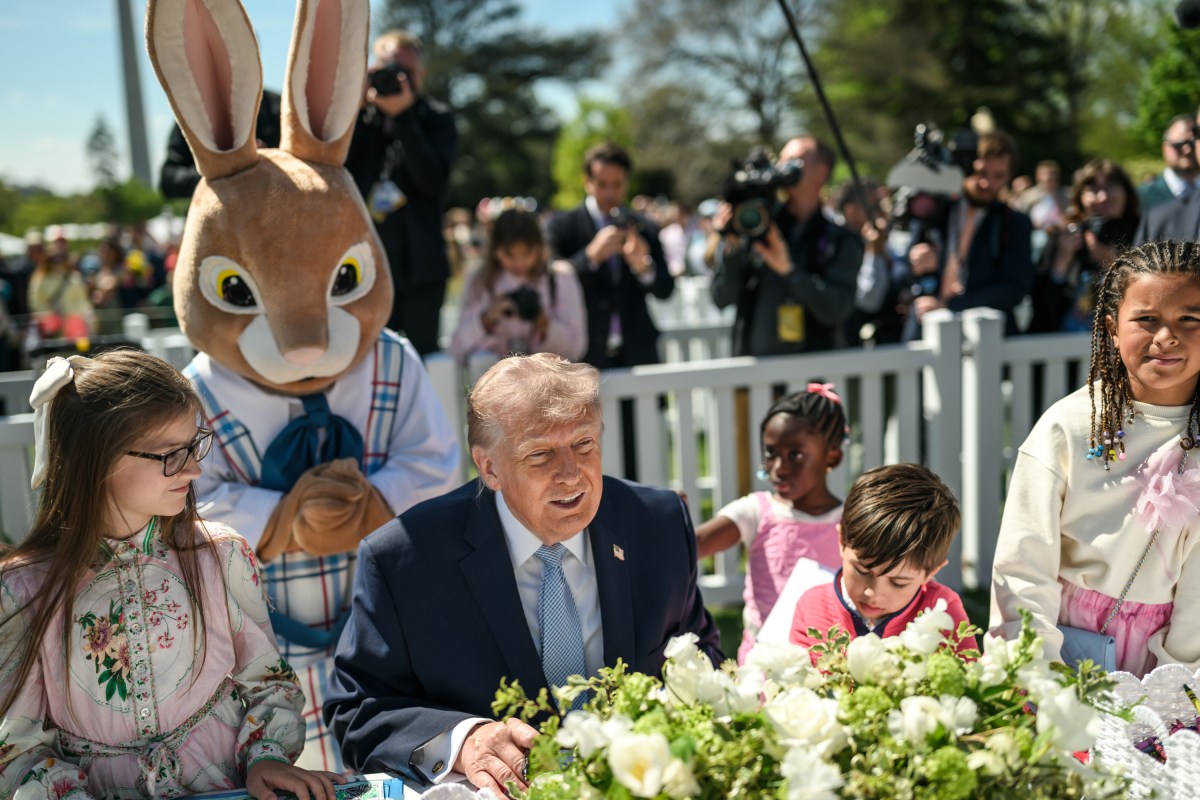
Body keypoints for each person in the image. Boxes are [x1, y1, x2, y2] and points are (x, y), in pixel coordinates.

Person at [324, 353, 722, 795]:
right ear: (489, 467)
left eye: (585, 444)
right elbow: (358, 710)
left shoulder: (659, 524)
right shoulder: (405, 559)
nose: (571, 474)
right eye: (541, 454)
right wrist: (464, 741)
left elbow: (701, 654)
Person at [0, 350, 343, 799]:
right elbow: (16, 746)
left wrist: (269, 757)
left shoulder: (221, 555)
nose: (196, 468)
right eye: (171, 454)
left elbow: (269, 683)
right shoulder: (24, 590)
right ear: (95, 458)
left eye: (194, 444)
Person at [990, 240, 1200, 678]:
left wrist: (1176, 687)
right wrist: (1037, 670)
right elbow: (1024, 563)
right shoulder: (1069, 426)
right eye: (1146, 319)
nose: (1167, 337)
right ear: (1111, 328)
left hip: (1172, 666)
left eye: (1190, 319)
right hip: (1062, 646)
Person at [697, 385, 848, 662]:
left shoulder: (851, 522)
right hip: (763, 664)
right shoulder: (755, 511)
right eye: (771, 453)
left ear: (832, 456)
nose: (779, 467)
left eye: (796, 455)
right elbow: (696, 544)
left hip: (830, 663)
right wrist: (669, 515)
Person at [345, 30, 456, 357]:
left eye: (407, 72)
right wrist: (355, 101)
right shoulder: (360, 121)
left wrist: (404, 117)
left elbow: (432, 182)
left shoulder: (437, 119)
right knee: (372, 361)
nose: (399, 79)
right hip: (370, 272)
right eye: (391, 70)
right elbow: (343, 176)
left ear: (421, 75)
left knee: (425, 361)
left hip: (423, 269)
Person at [789, 463, 976, 655]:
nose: (873, 593)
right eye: (861, 571)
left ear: (931, 572)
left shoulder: (942, 610)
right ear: (842, 541)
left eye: (898, 582)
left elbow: (966, 679)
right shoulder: (813, 607)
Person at [710, 137, 863, 355]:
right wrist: (731, 246)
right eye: (780, 161)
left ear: (821, 172)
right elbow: (721, 298)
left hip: (811, 375)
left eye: (793, 161)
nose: (781, 169)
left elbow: (836, 309)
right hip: (753, 375)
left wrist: (789, 271)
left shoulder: (841, 239)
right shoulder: (759, 226)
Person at [545, 141, 674, 369]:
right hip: (583, 358)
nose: (610, 193)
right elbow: (549, 283)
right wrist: (590, 258)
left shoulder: (645, 227)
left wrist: (644, 267)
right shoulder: (561, 226)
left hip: (638, 354)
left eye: (617, 184)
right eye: (602, 184)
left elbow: (666, 289)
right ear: (587, 182)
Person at [904, 130, 1034, 339]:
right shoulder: (938, 211)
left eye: (998, 176)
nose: (986, 184)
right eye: (981, 172)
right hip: (928, 328)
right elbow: (903, 274)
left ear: (1009, 177)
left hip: (988, 338)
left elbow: (1014, 288)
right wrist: (914, 261)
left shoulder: (1014, 223)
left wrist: (948, 306)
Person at [449, 208, 587, 363]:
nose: (519, 262)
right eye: (509, 255)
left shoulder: (560, 278)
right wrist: (486, 320)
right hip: (497, 382)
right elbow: (457, 348)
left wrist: (544, 324)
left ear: (539, 248)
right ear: (495, 250)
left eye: (527, 253)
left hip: (547, 382)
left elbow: (577, 349)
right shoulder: (479, 280)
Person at [1028, 159, 1140, 334]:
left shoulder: (1143, 233)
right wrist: (1062, 262)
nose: (1102, 196)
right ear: (1080, 196)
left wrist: (1113, 263)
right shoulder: (1065, 236)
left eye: (1111, 187)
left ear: (1126, 193)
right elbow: (1041, 306)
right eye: (1093, 189)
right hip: (1062, 348)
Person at [159, 89, 283, 199]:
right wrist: (220, 167)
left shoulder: (279, 107)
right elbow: (168, 180)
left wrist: (268, 160)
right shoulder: (192, 115)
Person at [1137, 114, 1200, 214]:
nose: (1187, 150)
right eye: (1178, 145)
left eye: (1192, 144)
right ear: (1165, 148)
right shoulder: (1142, 198)